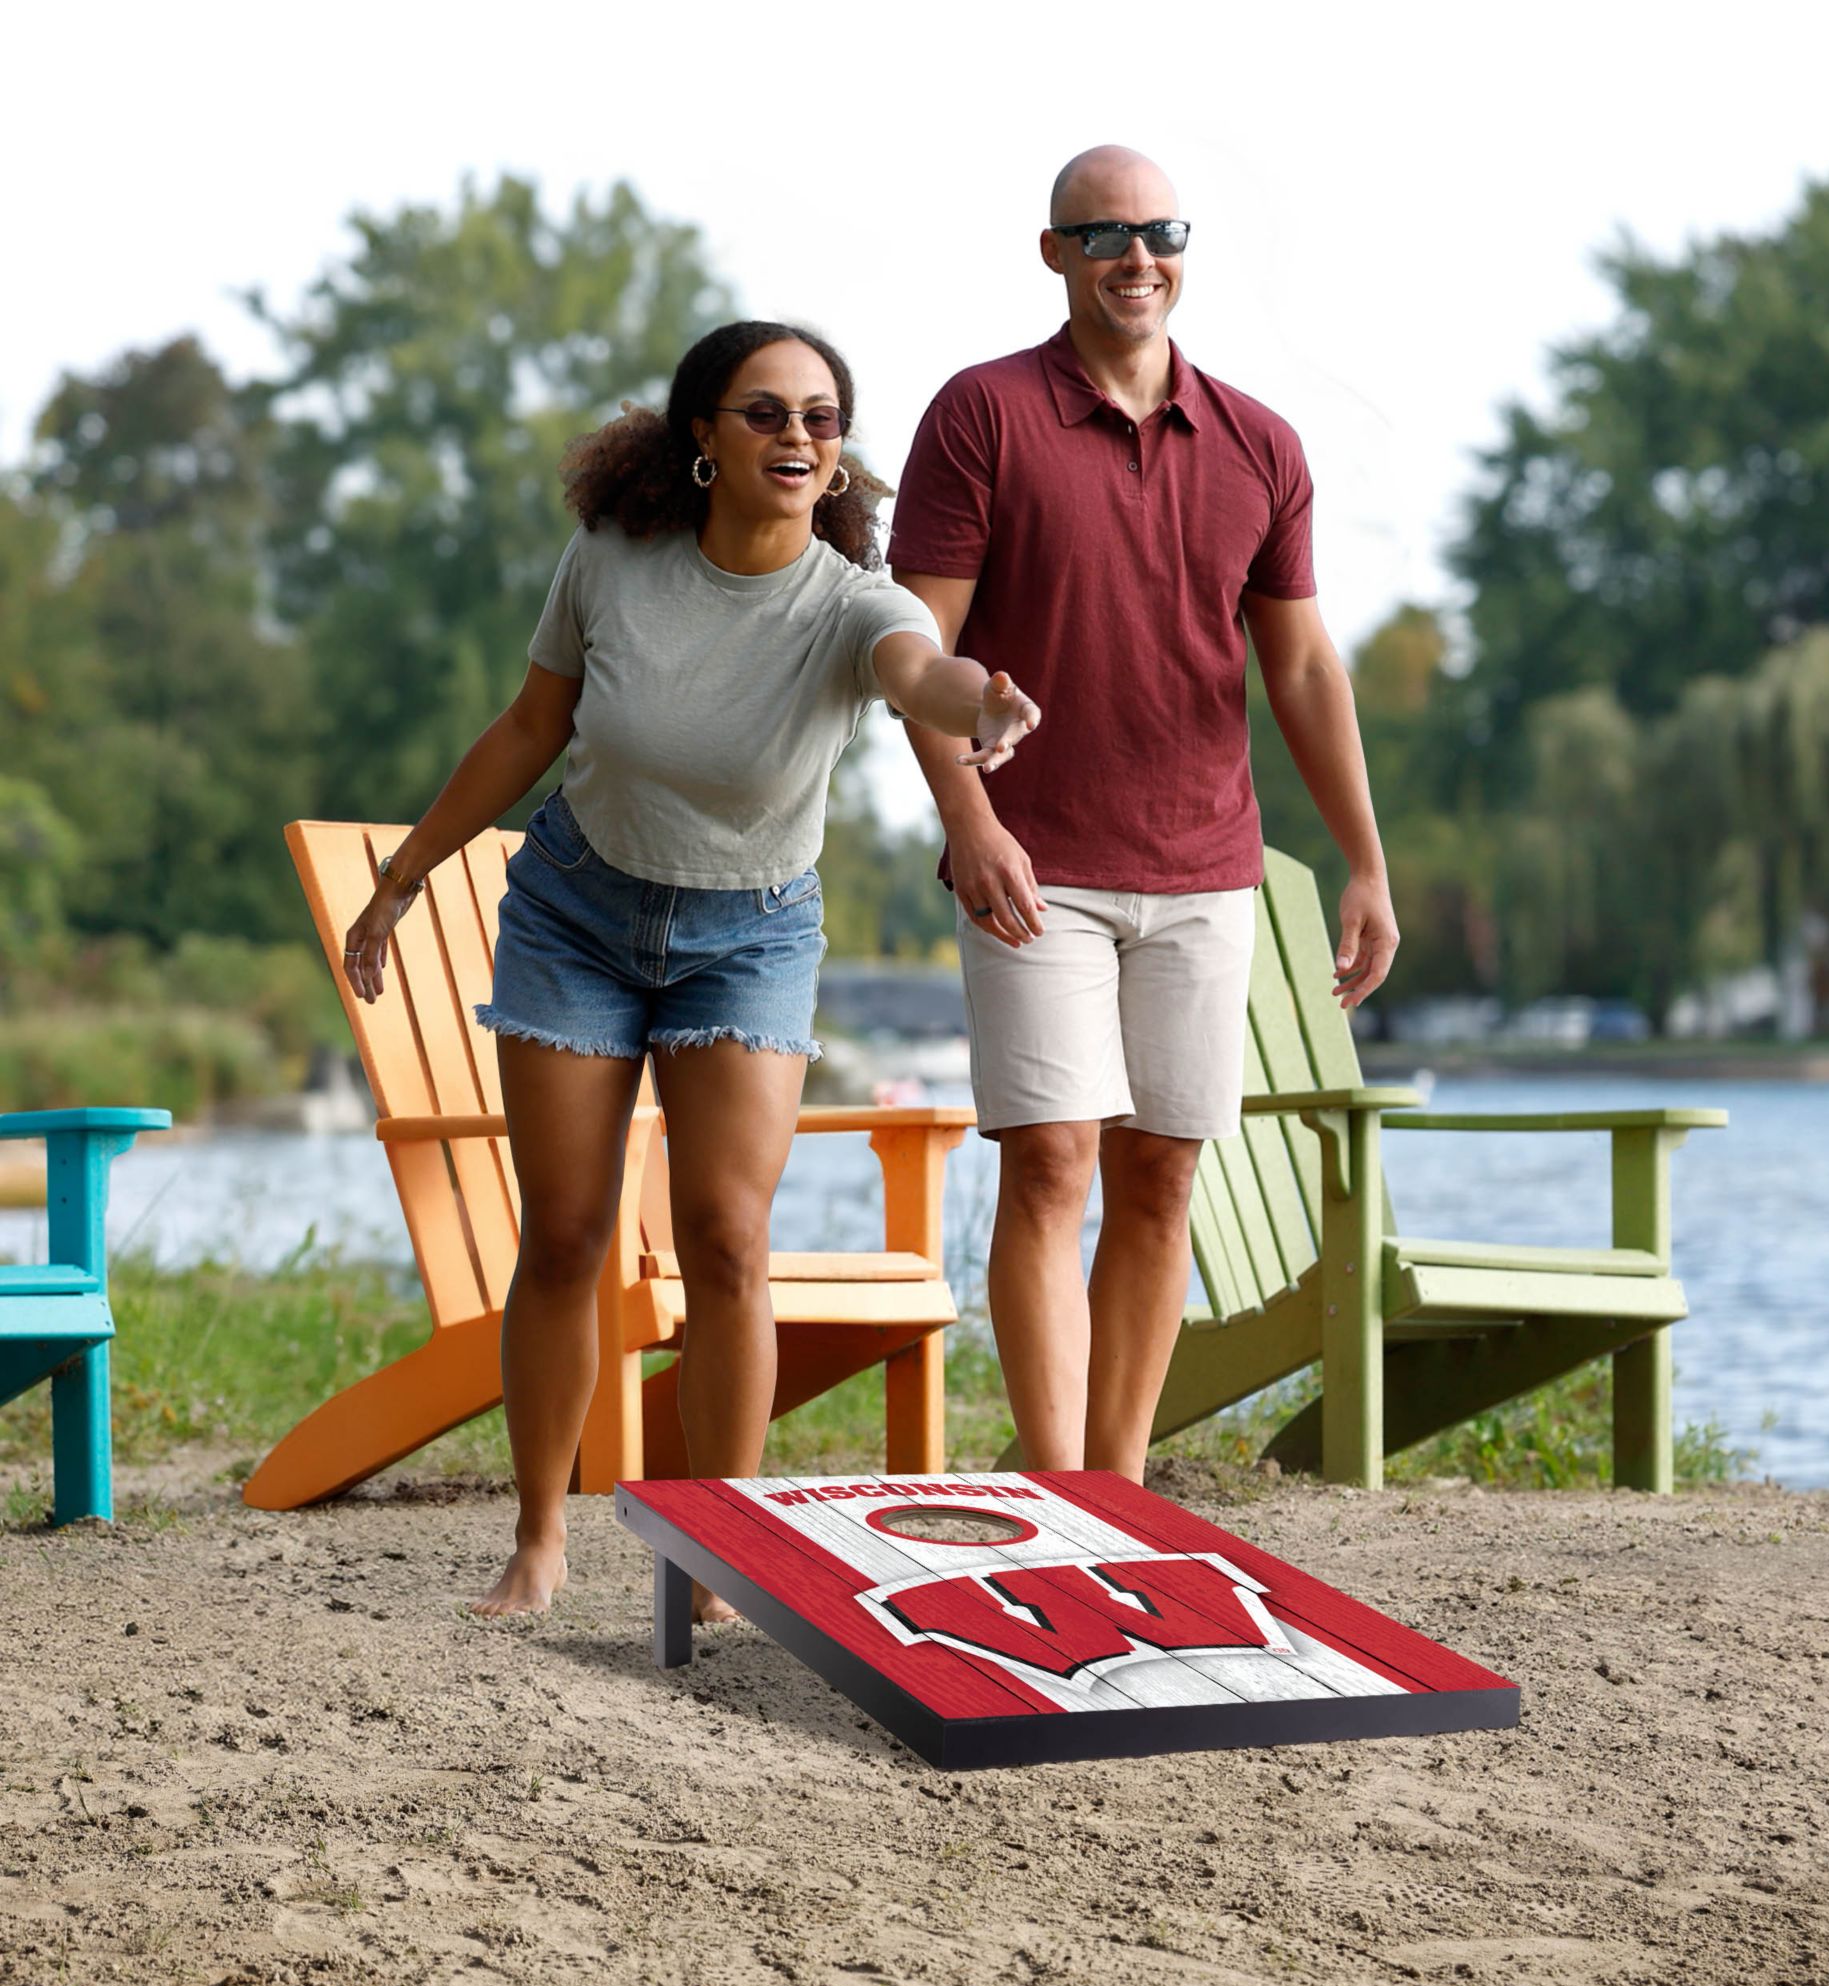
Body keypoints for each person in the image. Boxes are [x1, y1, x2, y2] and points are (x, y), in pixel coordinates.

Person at [341, 320, 1041, 1619]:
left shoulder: (853, 603)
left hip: (751, 936)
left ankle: (724, 1554)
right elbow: (531, 727)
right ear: (704, 439)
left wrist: (980, 707)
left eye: (821, 420)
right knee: (564, 1234)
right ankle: (541, 1540)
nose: (796, 438)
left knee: (727, 1239)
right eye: (766, 413)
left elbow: (920, 675)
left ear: (838, 459)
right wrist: (409, 873)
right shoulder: (613, 561)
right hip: (576, 916)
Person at [887, 146, 1397, 1481]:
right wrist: (968, 821)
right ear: (1052, 252)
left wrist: (1363, 862)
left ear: (1184, 247)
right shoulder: (980, 416)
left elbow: (1302, 666)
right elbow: (909, 651)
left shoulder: (1259, 443)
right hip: (1033, 866)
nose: (1135, 256)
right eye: (1102, 233)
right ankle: (1057, 1483)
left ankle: (1114, 1482)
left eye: (1158, 230)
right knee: (1053, 1162)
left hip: (1204, 867)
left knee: (1162, 1175)